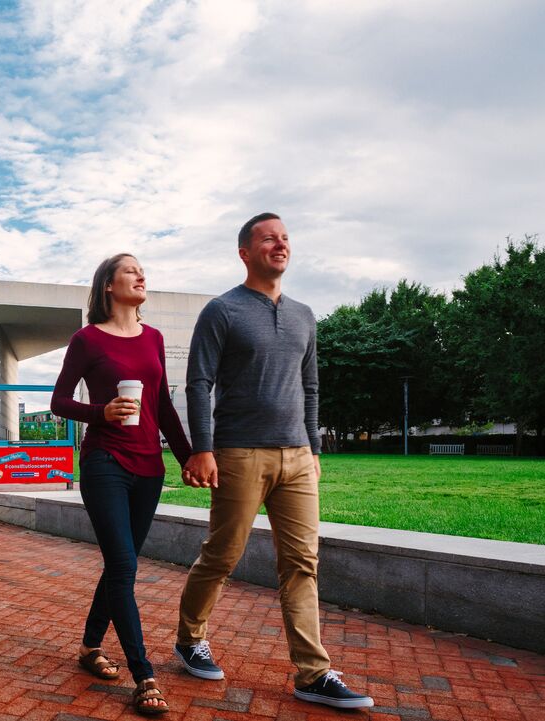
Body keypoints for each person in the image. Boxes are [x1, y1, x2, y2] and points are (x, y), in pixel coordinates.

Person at [174, 213, 373, 710]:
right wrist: (203, 448)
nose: (280, 244)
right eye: (268, 238)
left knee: (303, 563)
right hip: (239, 452)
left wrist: (314, 447)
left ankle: (313, 673)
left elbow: (310, 386)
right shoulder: (222, 311)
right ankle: (189, 637)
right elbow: (199, 382)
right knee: (222, 555)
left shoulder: (305, 315)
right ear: (245, 251)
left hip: (298, 458)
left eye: (284, 238)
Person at [51, 253, 191, 716]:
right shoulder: (87, 339)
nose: (140, 274)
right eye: (130, 269)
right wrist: (100, 412)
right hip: (104, 461)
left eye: (141, 269)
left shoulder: (154, 337)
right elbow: (59, 401)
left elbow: (164, 408)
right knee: (124, 564)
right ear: (108, 285)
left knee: (119, 565)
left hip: (150, 466)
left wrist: (191, 459)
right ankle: (144, 675)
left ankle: (91, 647)